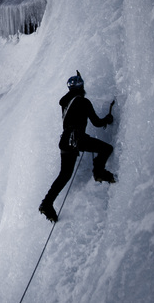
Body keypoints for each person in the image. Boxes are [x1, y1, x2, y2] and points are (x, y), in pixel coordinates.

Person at [39, 71, 115, 223]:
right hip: (78, 139)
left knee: (65, 175)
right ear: (82, 87)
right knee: (107, 149)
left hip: (66, 141)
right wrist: (108, 118)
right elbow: (97, 123)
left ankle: (47, 203)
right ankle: (98, 171)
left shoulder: (65, 103)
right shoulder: (83, 102)